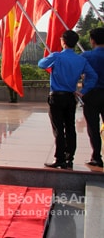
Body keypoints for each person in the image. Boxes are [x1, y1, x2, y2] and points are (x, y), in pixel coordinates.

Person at [38, 30, 97, 169]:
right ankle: (69, 158)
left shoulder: (57, 57)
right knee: (70, 128)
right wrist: (83, 91)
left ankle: (59, 158)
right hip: (71, 97)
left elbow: (41, 64)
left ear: (63, 42)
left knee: (58, 128)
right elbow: (93, 76)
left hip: (56, 97)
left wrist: (51, 56)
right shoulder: (81, 60)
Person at [81, 27, 104, 168]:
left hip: (92, 94)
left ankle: (96, 157)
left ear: (92, 40)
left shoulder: (86, 56)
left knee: (93, 127)